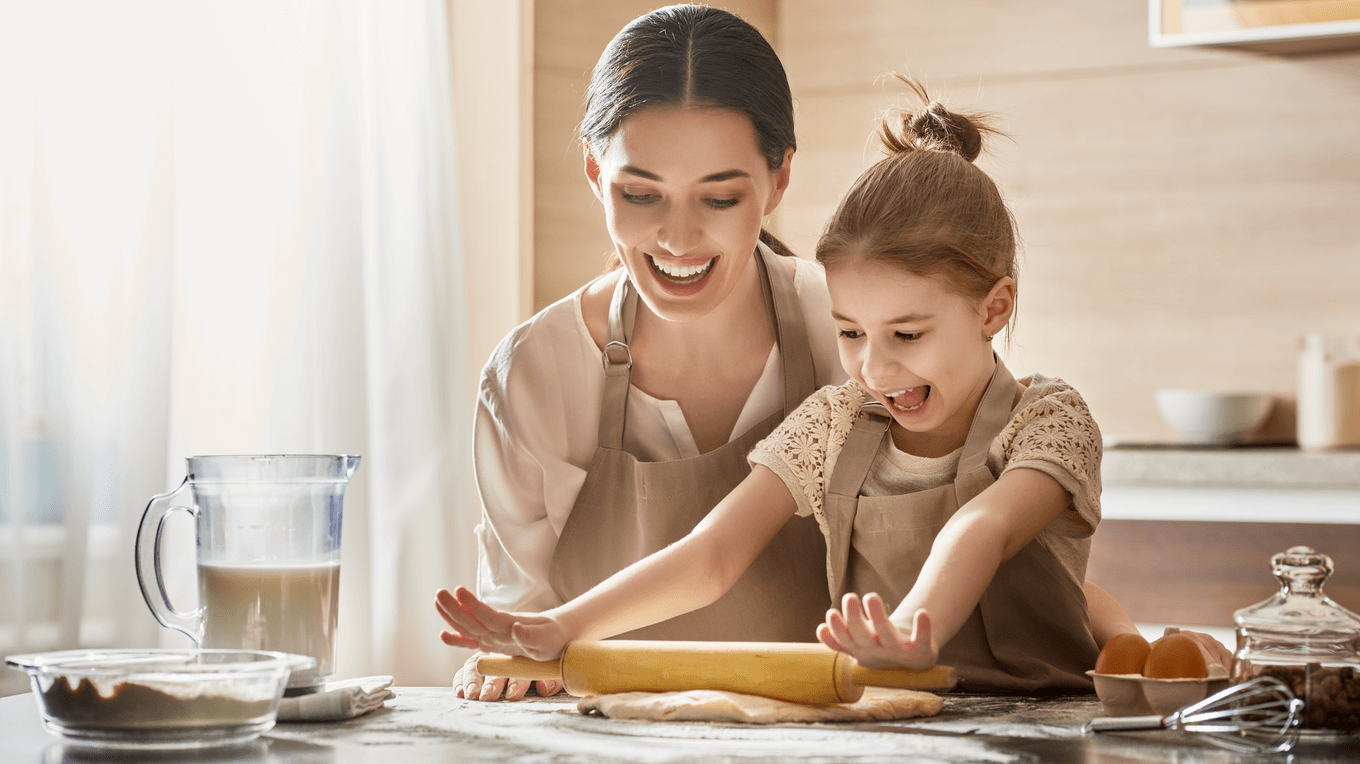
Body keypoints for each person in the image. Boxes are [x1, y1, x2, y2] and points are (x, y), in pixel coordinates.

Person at [439, 78, 1221, 692]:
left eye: (907, 336)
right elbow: (713, 552)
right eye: (850, 333)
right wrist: (562, 626)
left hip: (1043, 721)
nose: (874, 370)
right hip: (885, 716)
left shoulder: (1050, 419)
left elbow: (980, 530)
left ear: (995, 309)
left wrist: (912, 630)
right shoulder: (839, 419)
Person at [458, 4, 846, 701]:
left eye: (720, 198)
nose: (677, 238)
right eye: (641, 193)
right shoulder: (535, 376)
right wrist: (507, 664)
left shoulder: (847, 332)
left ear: (779, 180)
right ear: (593, 175)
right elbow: (525, 627)